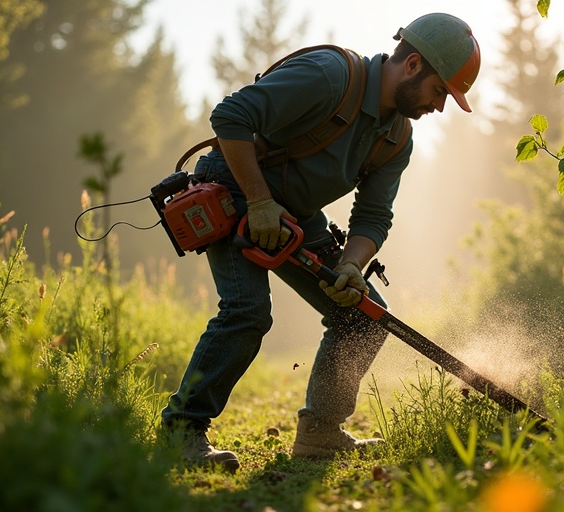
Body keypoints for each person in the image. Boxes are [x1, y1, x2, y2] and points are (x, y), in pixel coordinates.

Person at [161, 12, 481, 472]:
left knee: (365, 316)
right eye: (440, 92)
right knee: (247, 312)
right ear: (412, 65)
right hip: (234, 187)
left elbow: (373, 215)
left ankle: (321, 434)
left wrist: (352, 264)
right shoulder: (331, 77)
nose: (440, 106)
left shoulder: (397, 139)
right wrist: (258, 201)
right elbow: (230, 116)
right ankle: (181, 432)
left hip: (297, 212)